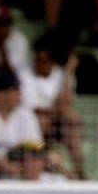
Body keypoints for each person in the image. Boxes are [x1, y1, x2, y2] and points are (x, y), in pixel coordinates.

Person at [0, 71, 71, 181]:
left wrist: (48, 150)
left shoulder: (24, 112)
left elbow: (36, 145)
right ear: (0, 94)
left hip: (17, 163)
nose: (19, 95)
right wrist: (7, 166)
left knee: (51, 159)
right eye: (15, 90)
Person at [18, 37, 86, 179]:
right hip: (34, 125)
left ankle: (81, 173)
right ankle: (39, 166)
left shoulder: (62, 74)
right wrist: (60, 110)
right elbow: (34, 110)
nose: (38, 64)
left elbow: (65, 103)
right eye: (37, 59)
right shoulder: (24, 73)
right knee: (43, 120)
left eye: (43, 61)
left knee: (71, 122)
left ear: (53, 62)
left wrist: (69, 72)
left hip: (56, 125)